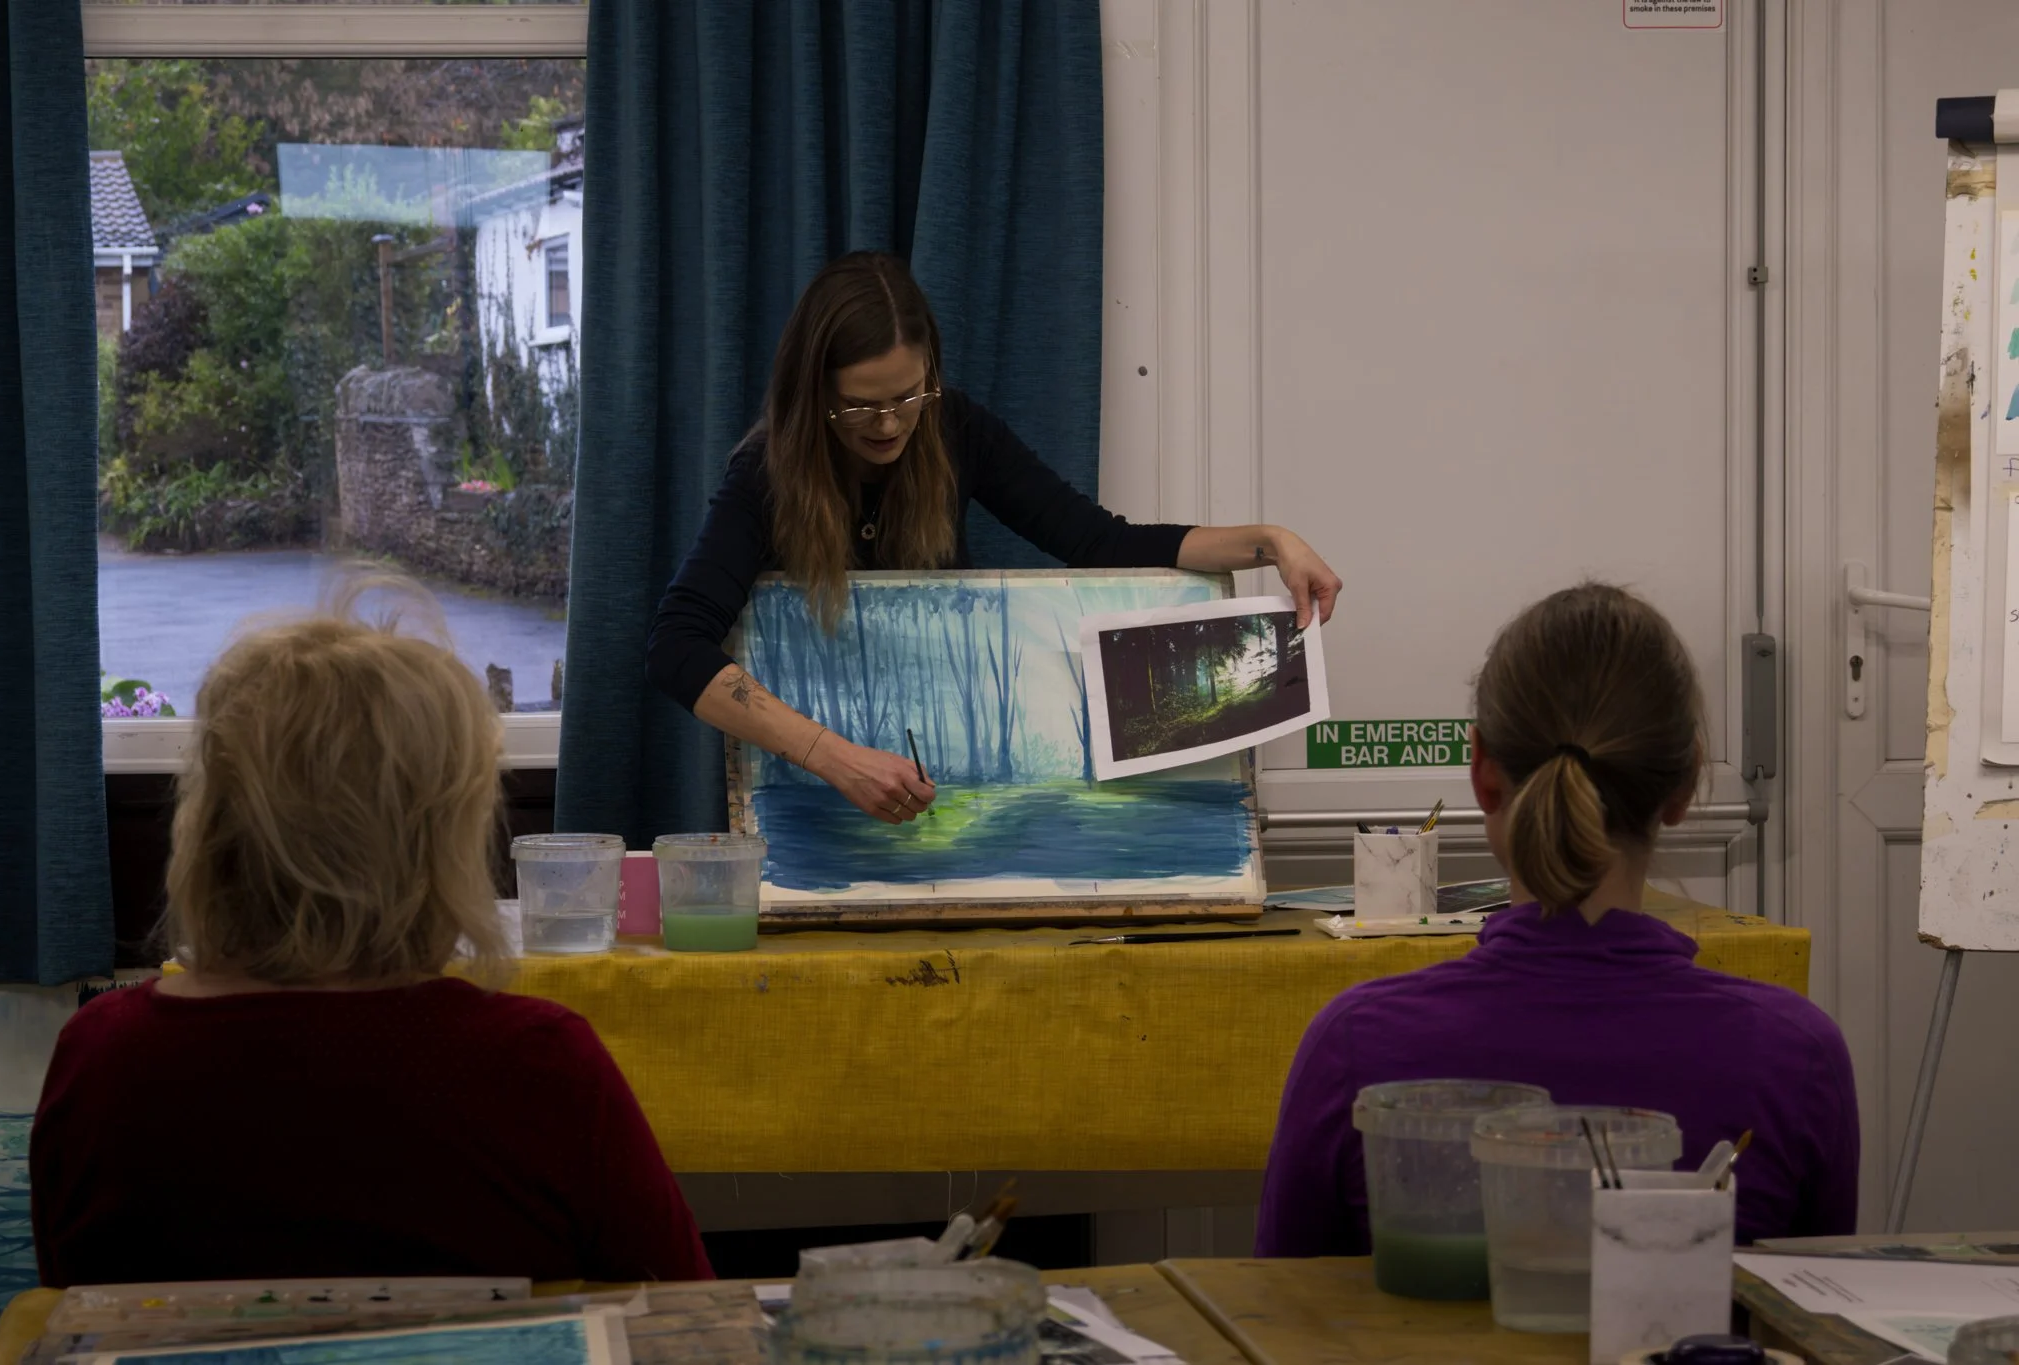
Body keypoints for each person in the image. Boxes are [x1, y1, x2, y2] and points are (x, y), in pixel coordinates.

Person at [32, 579, 713, 1288]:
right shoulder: (541, 1067)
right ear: (438, 841)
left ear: (211, 823)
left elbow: (64, 1313)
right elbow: (690, 1319)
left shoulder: (102, 1058)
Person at [1255, 582, 1859, 1254]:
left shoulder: (1355, 1045)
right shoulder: (1797, 1056)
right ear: (1686, 782)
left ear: (1483, 772)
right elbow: (1811, 1304)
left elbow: (1275, 1299)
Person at [649, 251, 1341, 823]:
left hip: (948, 797)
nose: (889, 424)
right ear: (815, 393)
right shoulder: (765, 475)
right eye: (860, 405)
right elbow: (677, 647)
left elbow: (1100, 543)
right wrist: (837, 759)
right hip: (809, 801)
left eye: (908, 397)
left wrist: (1271, 542)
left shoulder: (957, 430)